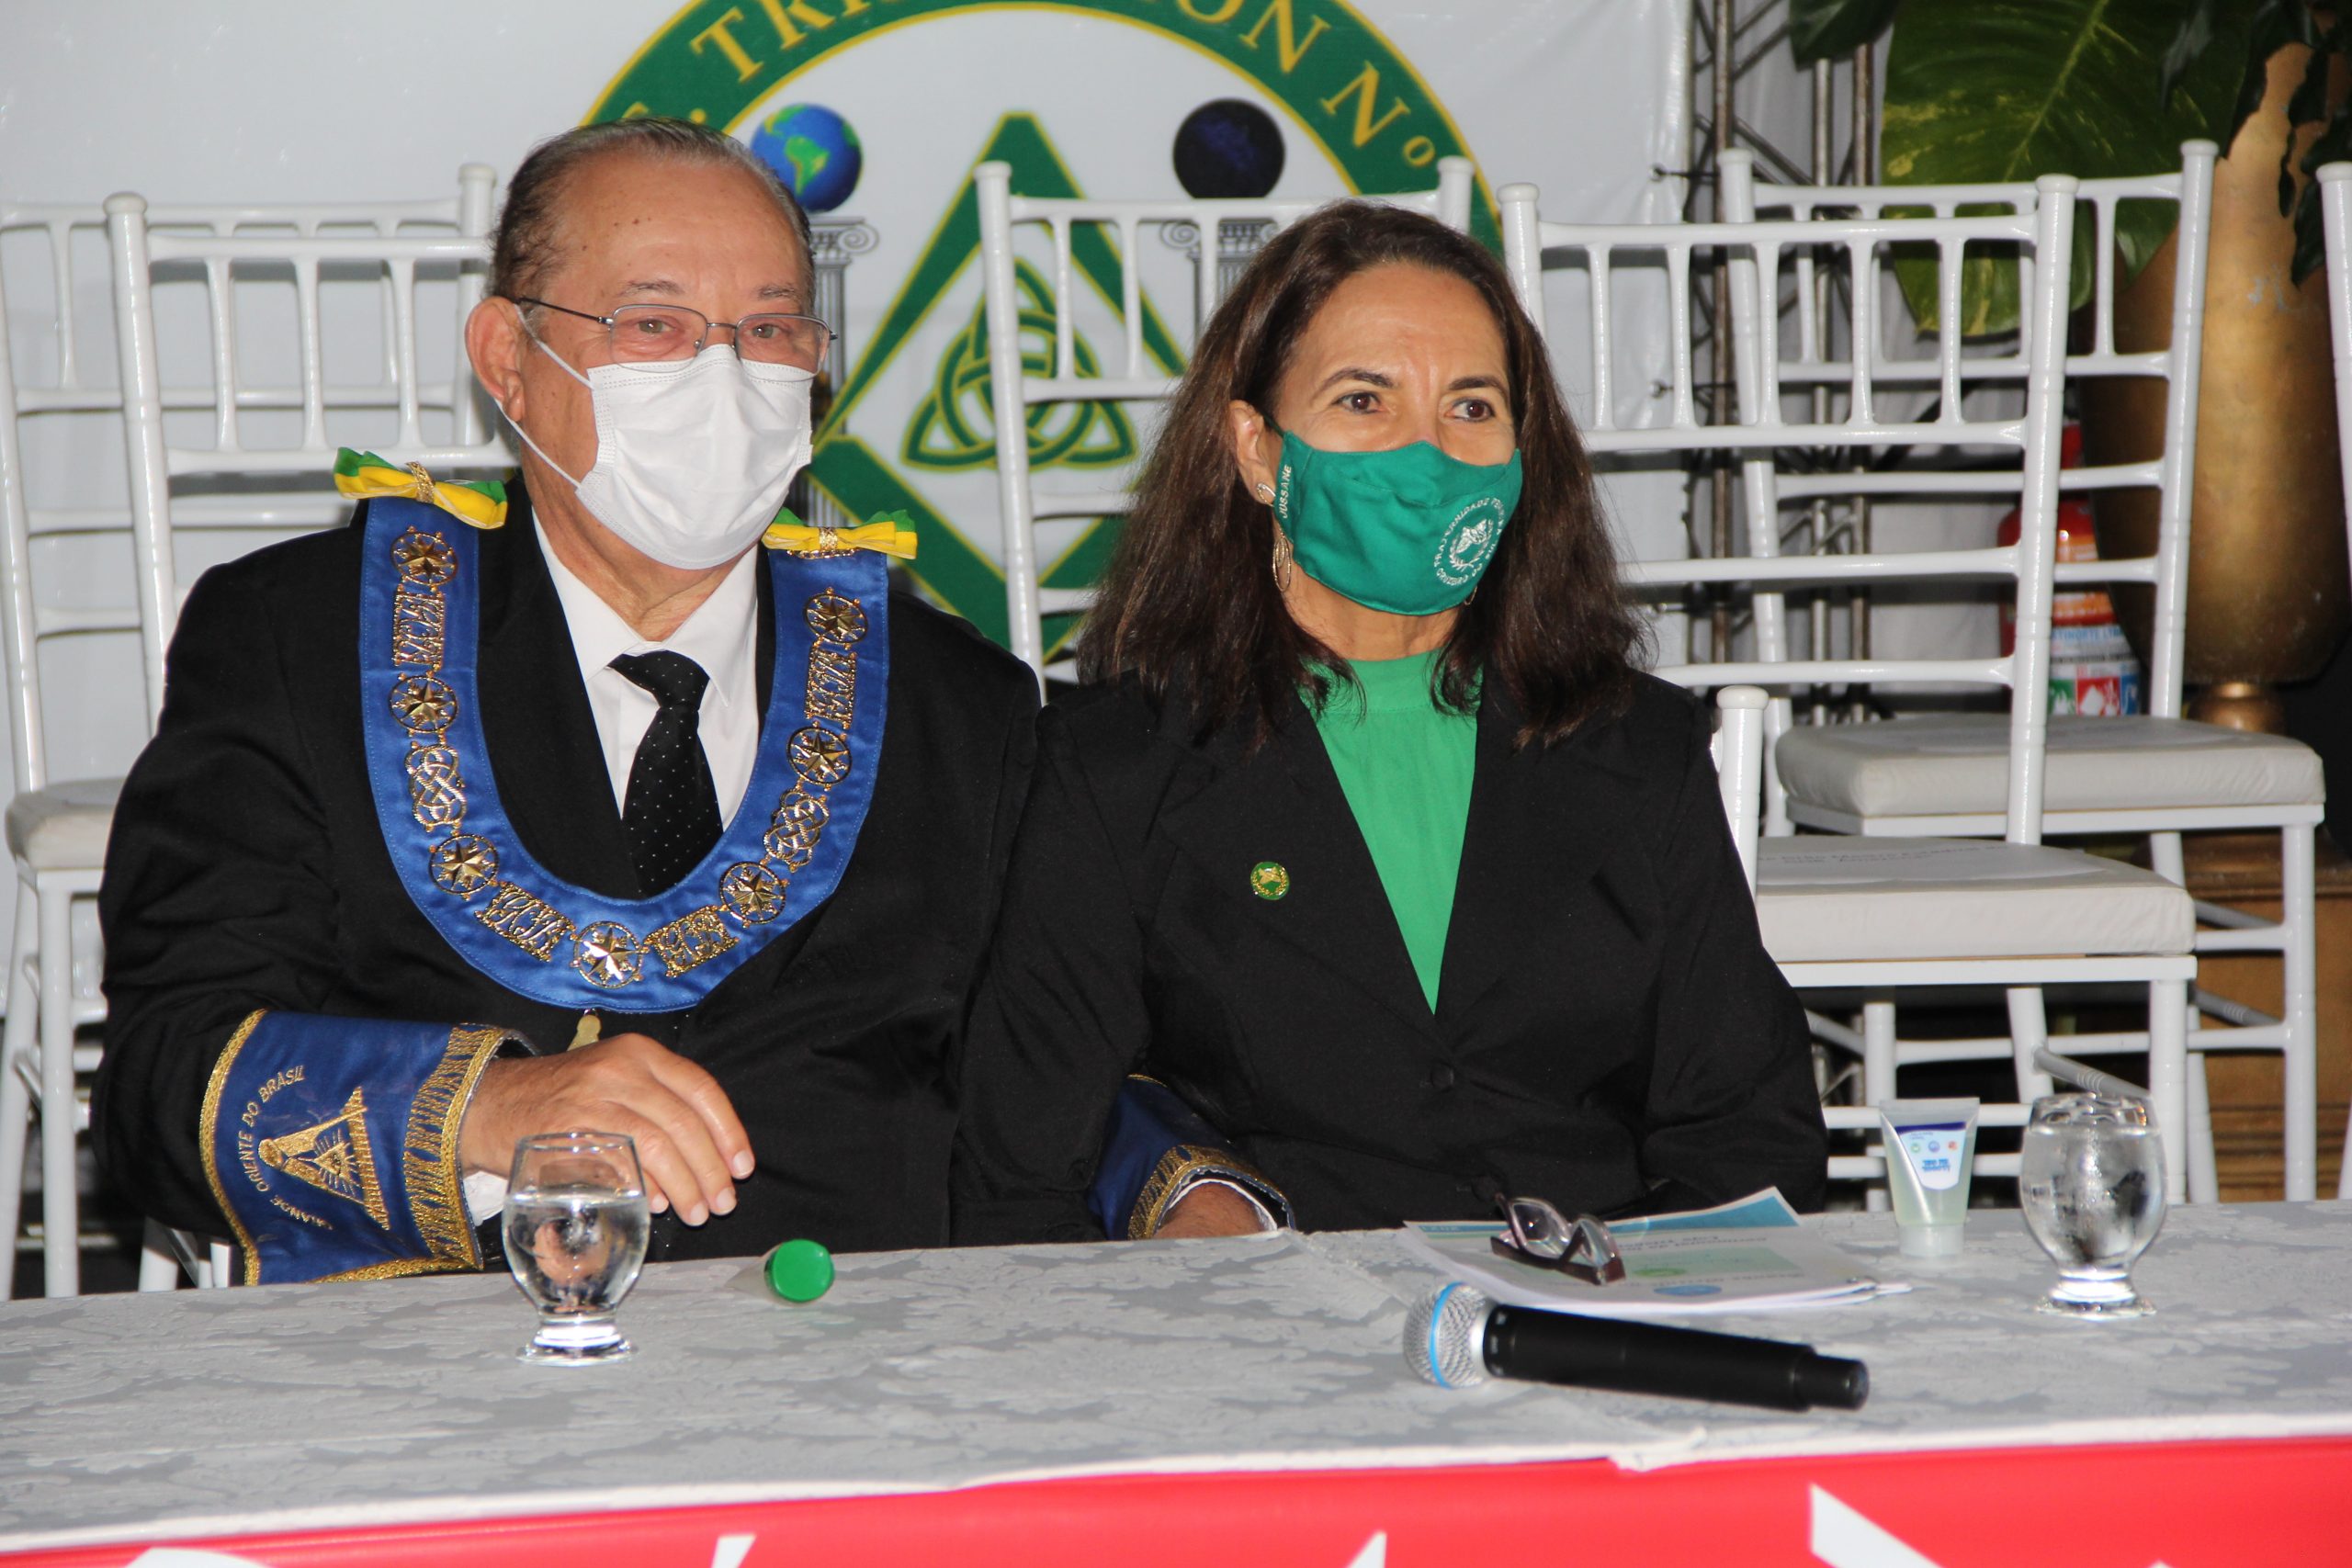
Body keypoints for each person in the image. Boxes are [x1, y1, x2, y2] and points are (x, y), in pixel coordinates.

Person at [93, 119, 1039, 1284]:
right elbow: (162, 1083)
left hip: (852, 1346)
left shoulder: (957, 705)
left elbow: (1059, 1074)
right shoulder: (305, 644)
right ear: (508, 359)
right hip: (446, 1352)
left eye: (770, 329)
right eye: (653, 326)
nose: (724, 377)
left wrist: (1193, 1190)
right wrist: (487, 1110)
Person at [951, 201, 1826, 1245]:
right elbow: (1020, 1170)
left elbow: (1746, 1134)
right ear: (1258, 450)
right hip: (1285, 1320)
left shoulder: (1640, 748)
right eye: (1364, 400)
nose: (1426, 455)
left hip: (1597, 1310)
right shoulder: (1115, 767)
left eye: (1471, 406)